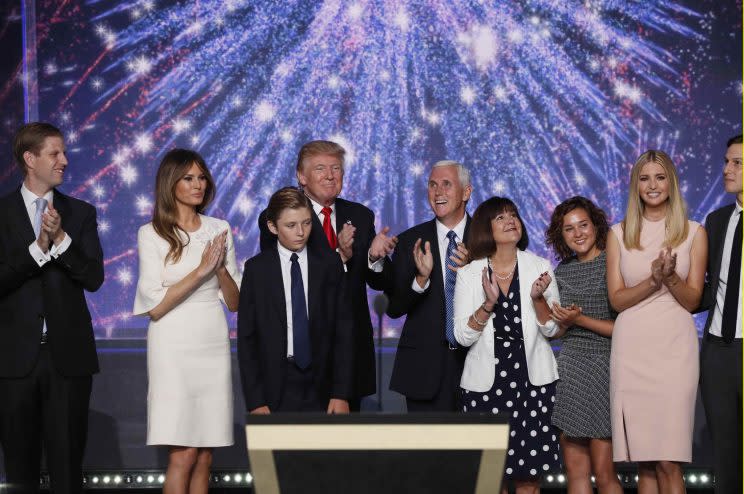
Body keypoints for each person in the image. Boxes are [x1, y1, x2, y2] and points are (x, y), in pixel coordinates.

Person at [0, 122, 104, 494]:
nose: (64, 160)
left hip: (68, 360)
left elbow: (93, 277)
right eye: (54, 153)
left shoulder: (80, 213)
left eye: (63, 152)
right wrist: (36, 250)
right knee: (19, 470)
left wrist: (60, 239)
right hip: (14, 362)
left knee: (67, 468)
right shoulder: (2, 213)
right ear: (30, 159)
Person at [257, 141, 396, 410]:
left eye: (336, 168)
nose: (330, 175)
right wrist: (338, 256)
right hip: (301, 353)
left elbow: (379, 282)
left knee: (347, 448)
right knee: (300, 447)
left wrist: (374, 257)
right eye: (320, 168)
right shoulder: (277, 217)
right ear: (301, 176)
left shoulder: (361, 215)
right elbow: (282, 276)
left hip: (350, 352)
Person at [133, 149, 239, 494]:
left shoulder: (219, 228)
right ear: (171, 182)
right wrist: (201, 270)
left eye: (202, 177)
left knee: (206, 453)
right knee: (183, 452)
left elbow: (235, 302)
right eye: (189, 178)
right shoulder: (152, 233)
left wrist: (220, 267)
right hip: (173, 344)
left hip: (212, 339)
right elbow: (155, 308)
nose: (198, 185)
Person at [606, 150, 706, 494]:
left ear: (671, 184)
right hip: (632, 350)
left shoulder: (693, 232)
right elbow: (616, 300)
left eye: (660, 177)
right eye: (645, 178)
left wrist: (670, 278)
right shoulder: (618, 233)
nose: (652, 185)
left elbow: (693, 300)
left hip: (675, 351)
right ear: (636, 186)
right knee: (645, 460)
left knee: (668, 459)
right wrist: (653, 280)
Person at [454, 196, 562, 493]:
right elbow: (462, 336)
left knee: (529, 478)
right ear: (485, 228)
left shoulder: (539, 266)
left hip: (533, 382)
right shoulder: (469, 273)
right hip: (486, 387)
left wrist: (538, 299)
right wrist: (488, 304)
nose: (510, 220)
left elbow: (553, 329)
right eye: (500, 217)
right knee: (491, 478)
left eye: (513, 214)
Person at [239, 187, 353, 413]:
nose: (301, 232)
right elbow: (248, 340)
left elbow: (344, 332)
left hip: (322, 382)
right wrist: (256, 400)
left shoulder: (330, 264)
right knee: (281, 449)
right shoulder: (256, 270)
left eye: (307, 223)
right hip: (275, 385)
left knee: (322, 449)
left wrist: (341, 392)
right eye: (291, 225)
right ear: (273, 227)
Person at [545, 196, 622, 494]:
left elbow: (623, 329)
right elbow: (554, 333)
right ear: (560, 235)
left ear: (596, 225)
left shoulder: (613, 264)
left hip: (605, 369)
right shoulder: (561, 272)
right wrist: (558, 317)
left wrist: (579, 320)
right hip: (571, 370)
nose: (578, 233)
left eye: (583, 225)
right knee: (575, 471)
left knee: (604, 472)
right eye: (569, 229)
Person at [386, 160, 472, 412]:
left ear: (467, 192)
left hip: (481, 367)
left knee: (479, 451)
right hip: (424, 372)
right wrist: (420, 280)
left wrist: (472, 270)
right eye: (433, 185)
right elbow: (394, 308)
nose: (438, 192)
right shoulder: (410, 241)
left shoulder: (487, 238)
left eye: (447, 184)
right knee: (430, 452)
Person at [699, 134, 742, 494]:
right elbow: (709, 289)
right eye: (727, 161)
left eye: (737, 163)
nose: (726, 170)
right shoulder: (717, 220)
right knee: (726, 459)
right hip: (719, 351)